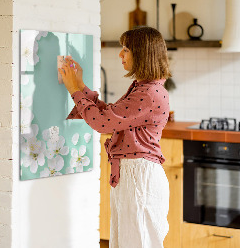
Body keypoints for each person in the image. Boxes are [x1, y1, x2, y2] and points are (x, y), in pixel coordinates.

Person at [58, 26, 171, 248]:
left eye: (126, 49)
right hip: (133, 176)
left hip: (139, 177)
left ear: (142, 54)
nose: (120, 54)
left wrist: (74, 90)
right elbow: (110, 116)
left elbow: (102, 123)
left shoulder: (148, 93)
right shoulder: (144, 88)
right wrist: (80, 86)